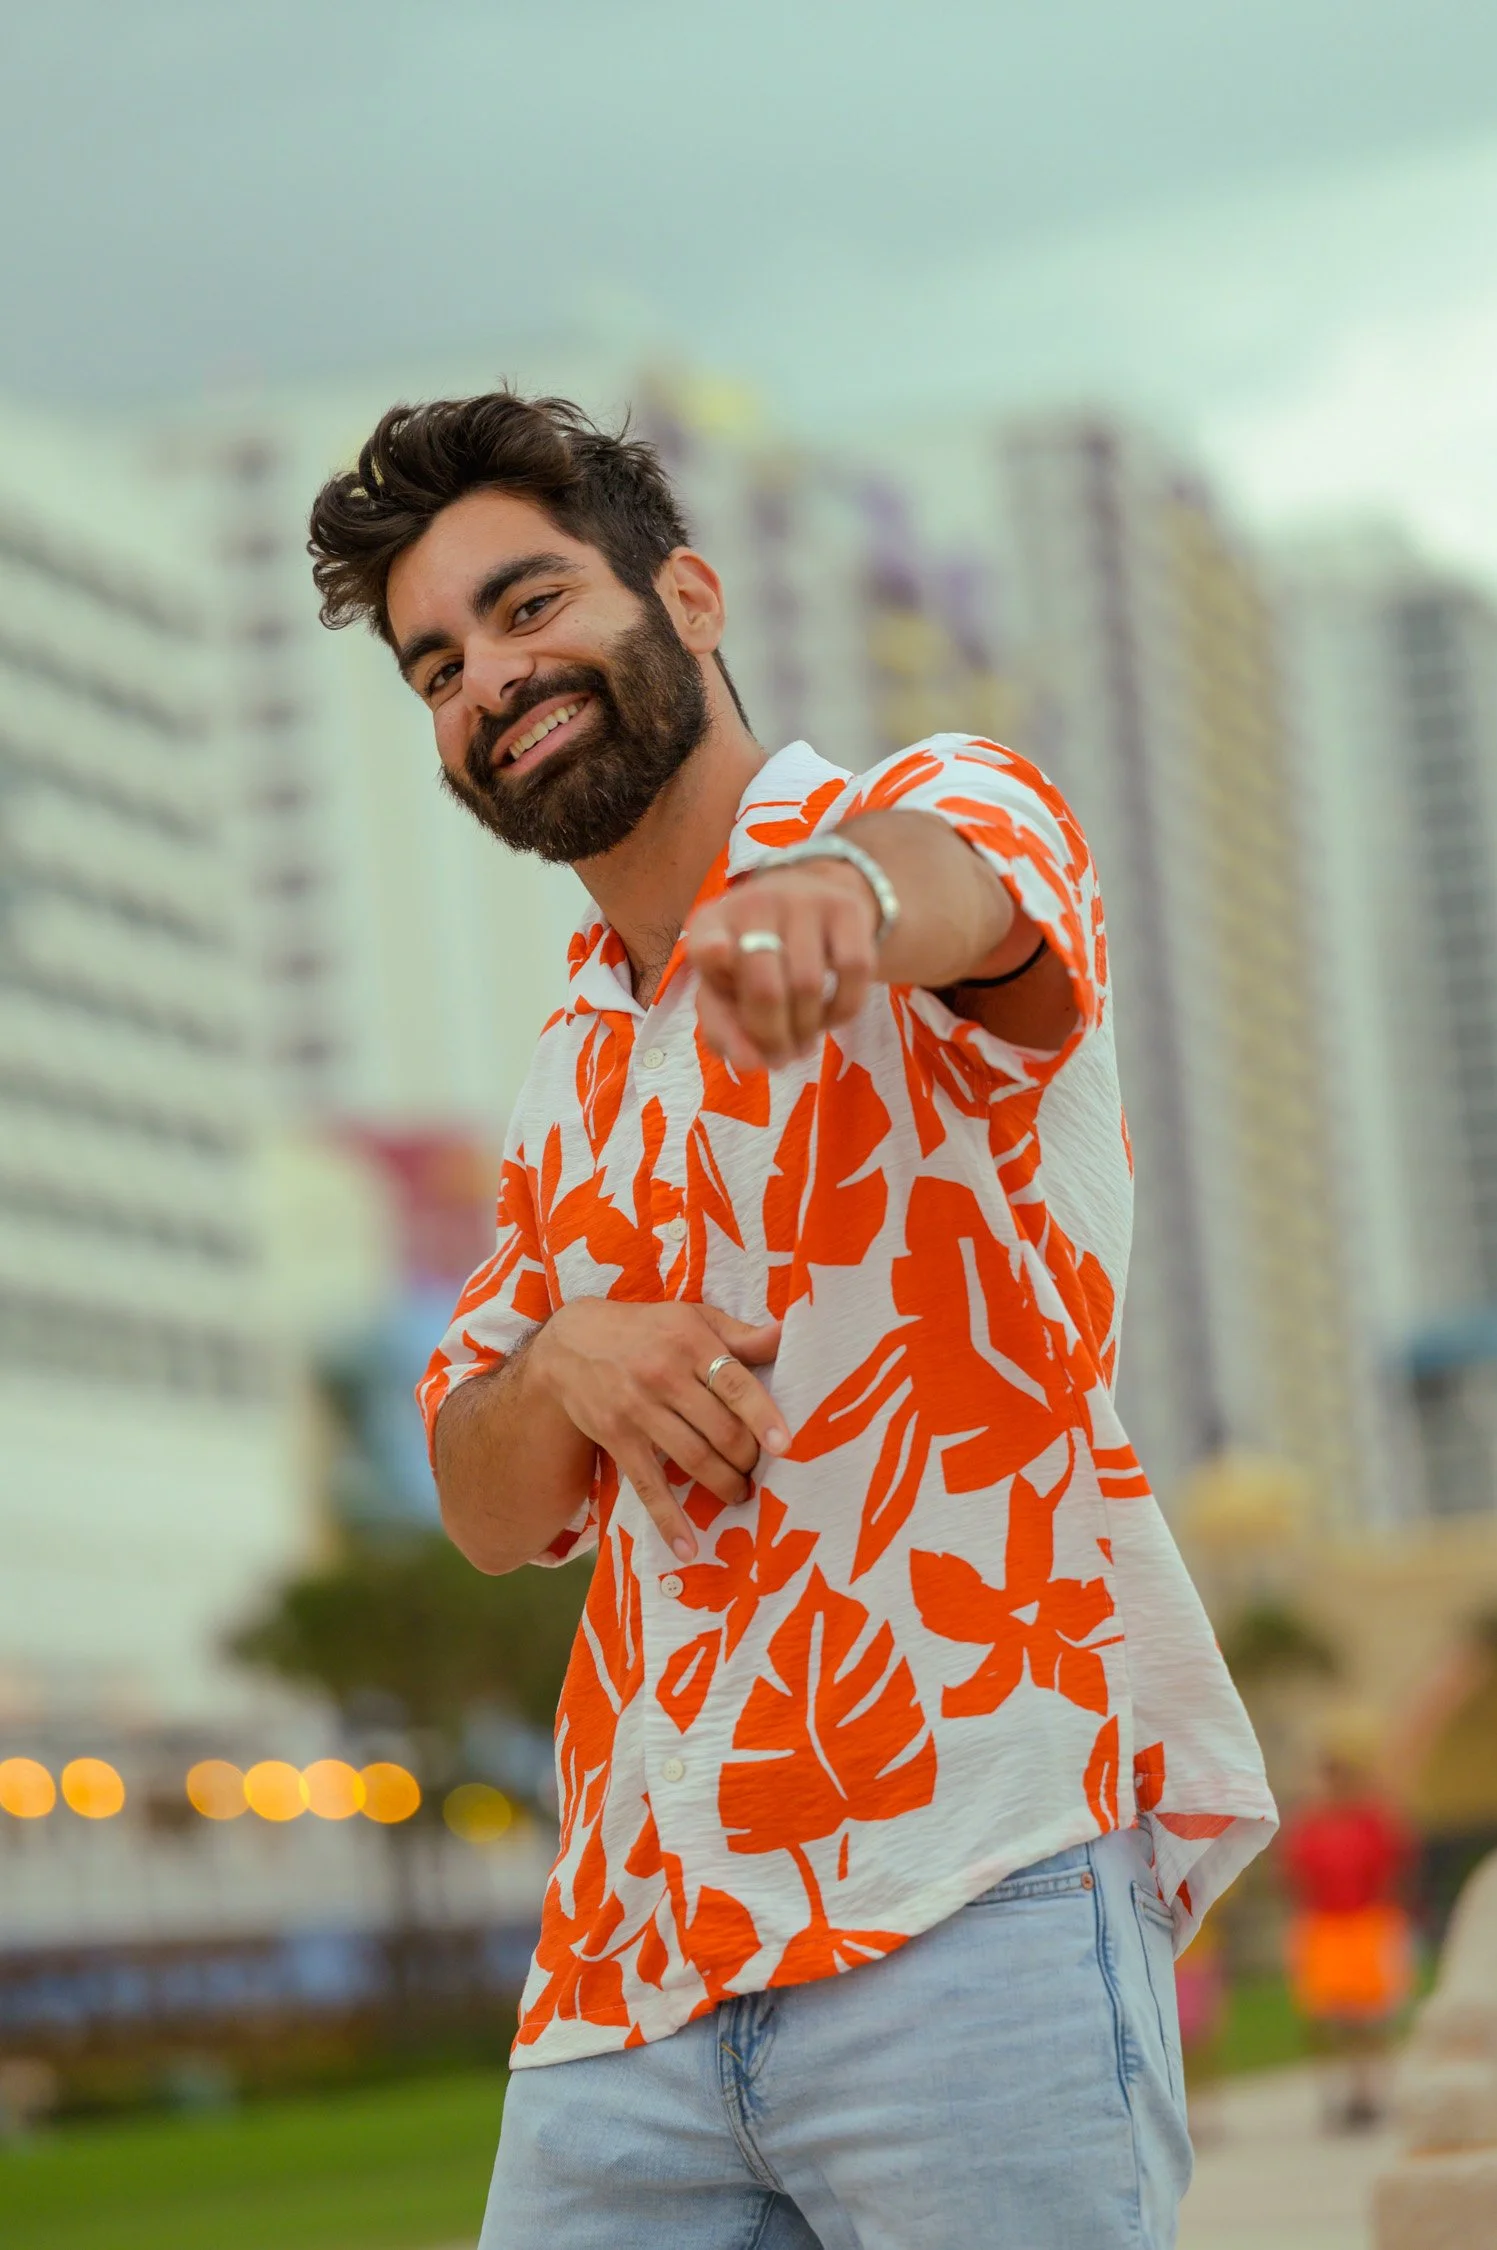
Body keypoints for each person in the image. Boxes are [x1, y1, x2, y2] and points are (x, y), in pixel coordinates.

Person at [307, 391, 1276, 2250]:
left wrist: (830, 898)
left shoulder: (929, 824)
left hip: (961, 1904)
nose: (488, 682)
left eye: (528, 608)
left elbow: (967, 891)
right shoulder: (568, 1071)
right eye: (436, 664)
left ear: (684, 588)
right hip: (624, 1974)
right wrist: (564, 1361)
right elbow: (486, 1495)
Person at [1281, 1743, 1417, 2131]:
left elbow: (1395, 1867)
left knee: (1371, 2016)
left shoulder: (1372, 1821)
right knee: (1330, 2016)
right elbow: (1295, 1877)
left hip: (1366, 1921)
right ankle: (1339, 2093)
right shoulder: (1309, 1826)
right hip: (1325, 1925)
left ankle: (1371, 2090)